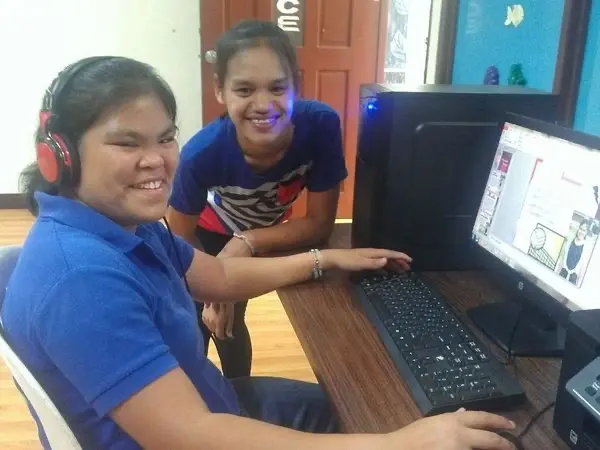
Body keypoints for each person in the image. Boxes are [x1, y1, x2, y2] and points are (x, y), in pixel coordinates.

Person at [1, 56, 517, 450]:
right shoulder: (81, 279)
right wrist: (393, 445)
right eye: (127, 143)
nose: (156, 160)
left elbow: (219, 277)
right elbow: (187, 434)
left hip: (209, 403)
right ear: (60, 157)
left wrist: (325, 259)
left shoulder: (120, 225)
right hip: (195, 432)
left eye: (164, 138)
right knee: (384, 425)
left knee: (364, 408)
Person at [166, 20, 348, 378]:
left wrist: (246, 242)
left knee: (232, 322)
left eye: (278, 88)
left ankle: (241, 395)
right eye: (244, 89)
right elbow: (177, 240)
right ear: (220, 91)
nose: (263, 105)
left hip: (258, 235)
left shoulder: (321, 126)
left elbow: (319, 225)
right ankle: (195, 390)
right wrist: (213, 286)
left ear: (296, 85)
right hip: (205, 237)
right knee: (196, 322)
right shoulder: (201, 154)